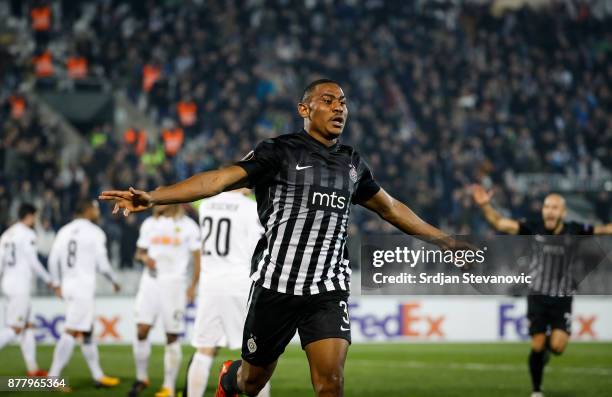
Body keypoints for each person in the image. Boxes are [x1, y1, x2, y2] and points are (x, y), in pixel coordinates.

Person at [100, 79, 467, 397]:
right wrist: (154, 196)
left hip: (327, 289)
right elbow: (218, 180)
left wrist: (445, 240)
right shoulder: (279, 151)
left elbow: (390, 208)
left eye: (343, 102)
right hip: (276, 285)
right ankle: (230, 378)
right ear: (304, 109)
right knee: (252, 382)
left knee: (330, 383)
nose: (339, 108)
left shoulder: (353, 163)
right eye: (328, 100)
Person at [471, 185, 612, 397]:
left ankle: (547, 351)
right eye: (547, 206)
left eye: (555, 207)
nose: (550, 211)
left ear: (563, 213)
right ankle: (537, 390)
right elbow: (499, 223)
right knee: (537, 345)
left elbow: (603, 229)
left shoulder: (574, 230)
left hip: (562, 298)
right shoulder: (533, 228)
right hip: (537, 295)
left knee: (557, 347)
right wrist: (485, 206)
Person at [186, 189, 270, 397]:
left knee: (204, 350)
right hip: (239, 284)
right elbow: (260, 247)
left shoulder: (206, 205)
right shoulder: (251, 209)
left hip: (210, 285)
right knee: (257, 355)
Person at [47, 200, 121, 391]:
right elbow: (103, 265)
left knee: (87, 331)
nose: (98, 212)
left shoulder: (64, 230)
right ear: (88, 210)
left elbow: (53, 259)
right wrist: (114, 280)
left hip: (68, 285)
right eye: (95, 208)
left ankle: (98, 376)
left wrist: (55, 283)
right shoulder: (95, 232)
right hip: (82, 288)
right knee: (72, 329)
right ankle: (53, 376)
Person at [128, 204, 201, 397]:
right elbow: (138, 252)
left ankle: (168, 386)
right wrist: (144, 258)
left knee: (172, 335)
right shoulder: (149, 224)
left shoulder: (188, 226)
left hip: (174, 284)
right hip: (150, 282)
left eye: (161, 197)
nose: (156, 201)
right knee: (141, 329)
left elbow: (198, 258)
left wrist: (193, 285)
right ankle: (141, 378)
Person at [0, 203, 52, 376]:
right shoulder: (28, 234)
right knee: (14, 329)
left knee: (27, 326)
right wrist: (49, 280)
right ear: (29, 216)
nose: (35, 220)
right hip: (19, 285)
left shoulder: (7, 234)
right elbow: (33, 261)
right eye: (35, 216)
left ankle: (32, 368)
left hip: (8, 283)